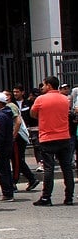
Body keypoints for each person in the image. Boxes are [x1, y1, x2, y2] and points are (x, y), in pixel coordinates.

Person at [30, 76, 74, 207]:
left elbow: (33, 114)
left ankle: (46, 197)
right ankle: (69, 197)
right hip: (64, 137)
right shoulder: (65, 99)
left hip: (47, 138)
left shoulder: (41, 99)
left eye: (43, 85)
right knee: (67, 168)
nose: (42, 88)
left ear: (49, 85)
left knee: (49, 169)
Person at [0, 92, 15, 202]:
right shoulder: (7, 114)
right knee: (6, 169)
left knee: (2, 170)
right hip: (7, 146)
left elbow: (0, 134)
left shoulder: (0, 116)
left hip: (2, 147)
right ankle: (9, 191)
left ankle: (7, 193)